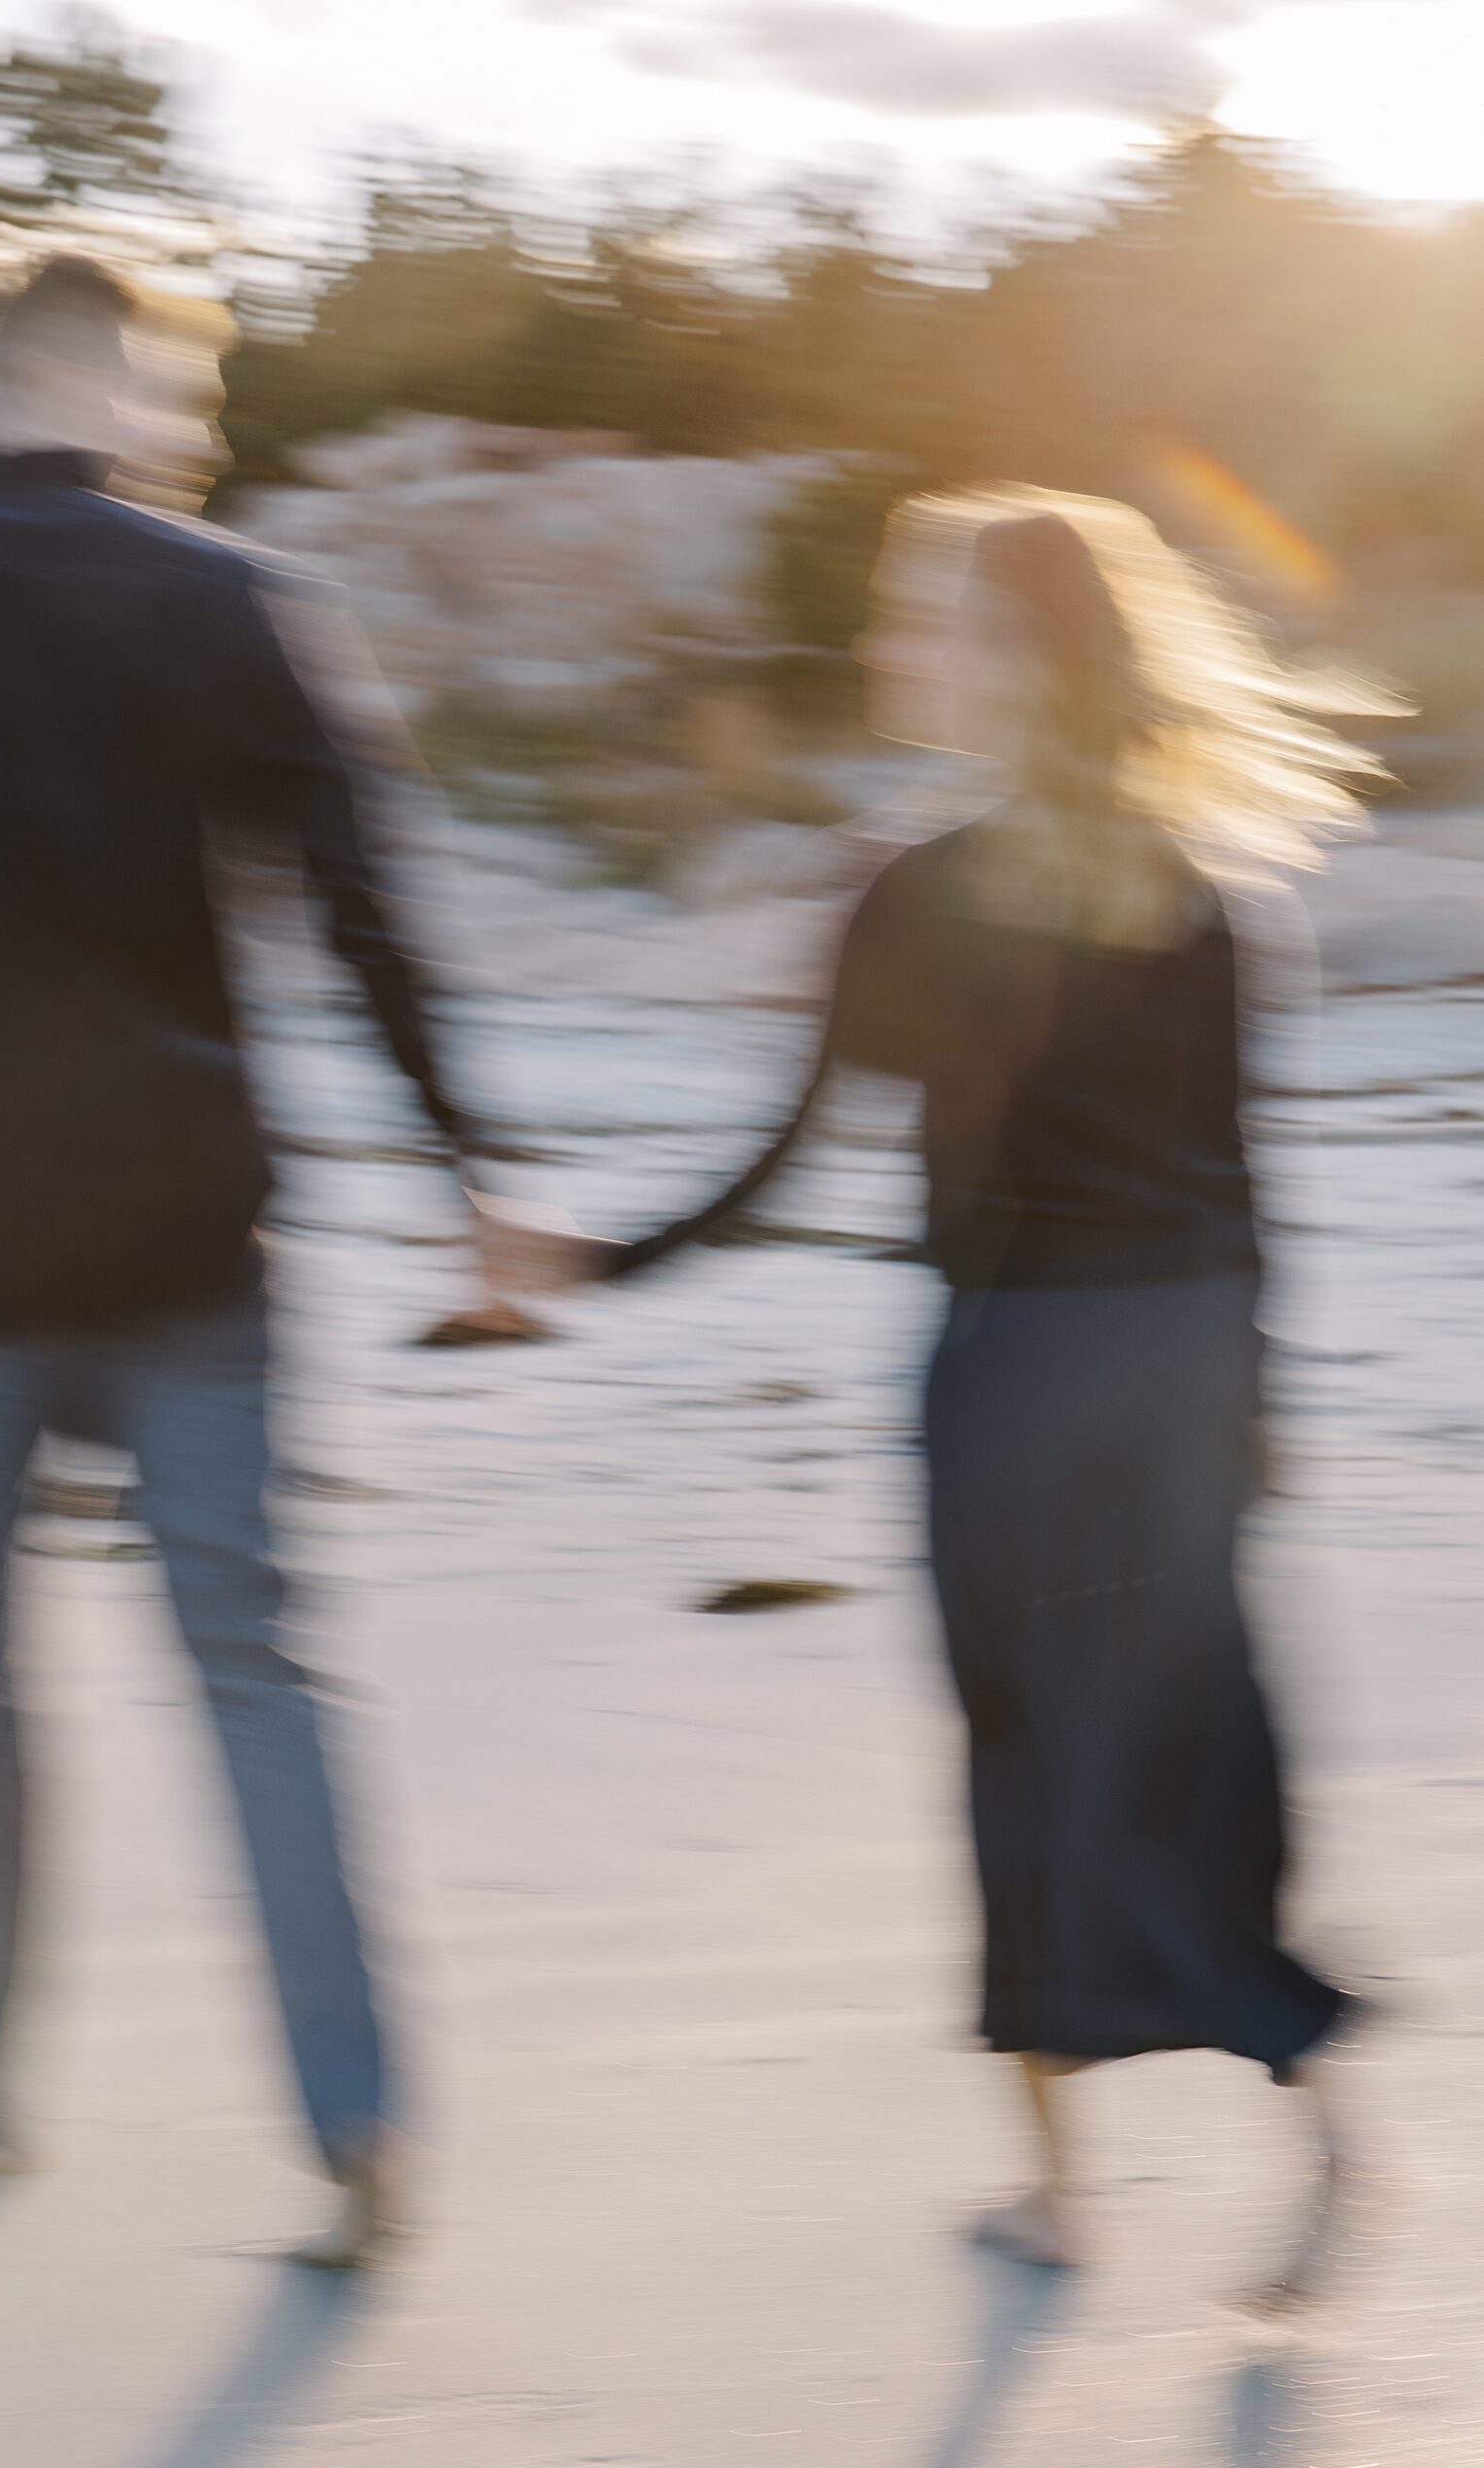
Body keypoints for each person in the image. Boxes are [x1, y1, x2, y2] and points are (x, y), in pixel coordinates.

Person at [530, 487, 1395, 2298]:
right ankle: (1314, 2112)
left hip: (1011, 1379)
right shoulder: (1207, 892)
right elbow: (1243, 1181)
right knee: (1183, 1750)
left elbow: (781, 1163)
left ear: (997, 658)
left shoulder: (911, 889)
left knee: (1027, 1760)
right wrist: (1255, 1401)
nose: (882, 649)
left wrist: (592, 1262)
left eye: (916, 619)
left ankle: (1061, 2199)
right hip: (1174, 1364)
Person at [0, 255, 508, 2267]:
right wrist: (470, 1152)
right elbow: (367, 897)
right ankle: (357, 2126)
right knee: (254, 1661)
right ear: (121, 389)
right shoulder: (229, 599)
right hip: (196, 1226)